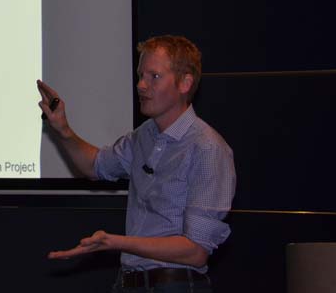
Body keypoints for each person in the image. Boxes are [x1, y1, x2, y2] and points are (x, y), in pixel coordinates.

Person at [37, 35, 235, 292]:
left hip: (174, 285)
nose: (141, 85)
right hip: (129, 283)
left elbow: (195, 251)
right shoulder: (144, 136)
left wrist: (116, 242)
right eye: (140, 75)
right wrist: (63, 130)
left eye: (154, 76)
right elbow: (94, 166)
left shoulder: (207, 148)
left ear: (185, 83)